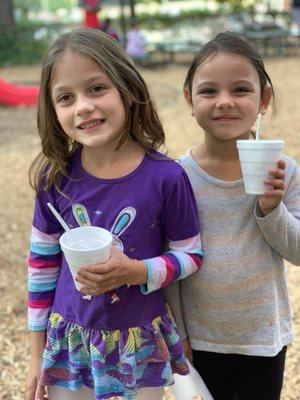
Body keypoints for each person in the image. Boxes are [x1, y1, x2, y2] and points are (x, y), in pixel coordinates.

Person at [25, 28, 203, 400]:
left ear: (128, 88)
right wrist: (34, 355)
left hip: (138, 343)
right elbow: (41, 270)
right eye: (66, 98)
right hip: (67, 344)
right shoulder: (53, 178)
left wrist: (136, 271)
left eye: (96, 89)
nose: (83, 107)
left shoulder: (166, 178)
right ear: (53, 109)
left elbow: (191, 256)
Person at [165, 32, 300, 400]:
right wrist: (178, 334)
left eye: (240, 90)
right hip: (203, 339)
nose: (224, 102)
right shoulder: (176, 177)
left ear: (264, 99)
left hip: (264, 336)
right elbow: (173, 263)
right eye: (209, 91)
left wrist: (270, 210)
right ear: (190, 100)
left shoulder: (284, 172)